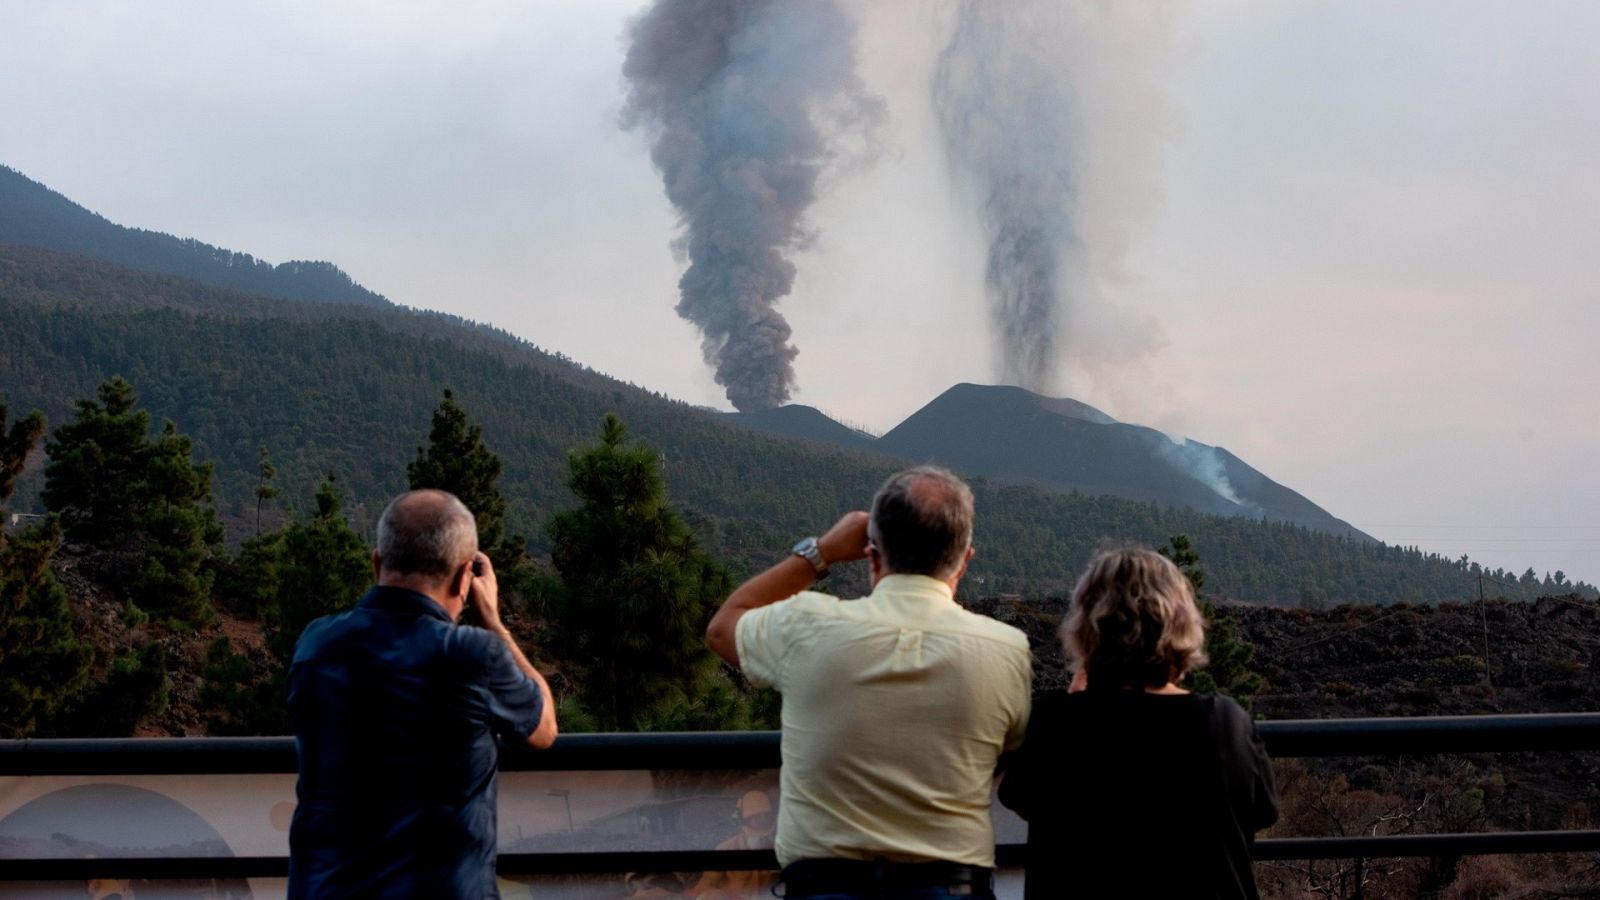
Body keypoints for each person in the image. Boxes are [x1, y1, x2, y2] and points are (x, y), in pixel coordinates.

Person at [706, 466, 1032, 900]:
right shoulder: (1006, 650)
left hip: (824, 886)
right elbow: (1011, 744)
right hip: (952, 887)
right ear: (965, 560)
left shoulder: (805, 626)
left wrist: (820, 552)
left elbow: (722, 629)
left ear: (871, 557)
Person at [287, 489, 558, 899]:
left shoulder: (316, 644)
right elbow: (543, 728)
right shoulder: (471, 654)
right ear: (464, 577)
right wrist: (493, 621)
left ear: (377, 563)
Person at [997, 546, 1277, 899]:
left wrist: (1073, 701)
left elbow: (1019, 796)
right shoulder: (1225, 723)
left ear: (1087, 629)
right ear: (1181, 626)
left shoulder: (1055, 723)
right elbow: (1263, 811)